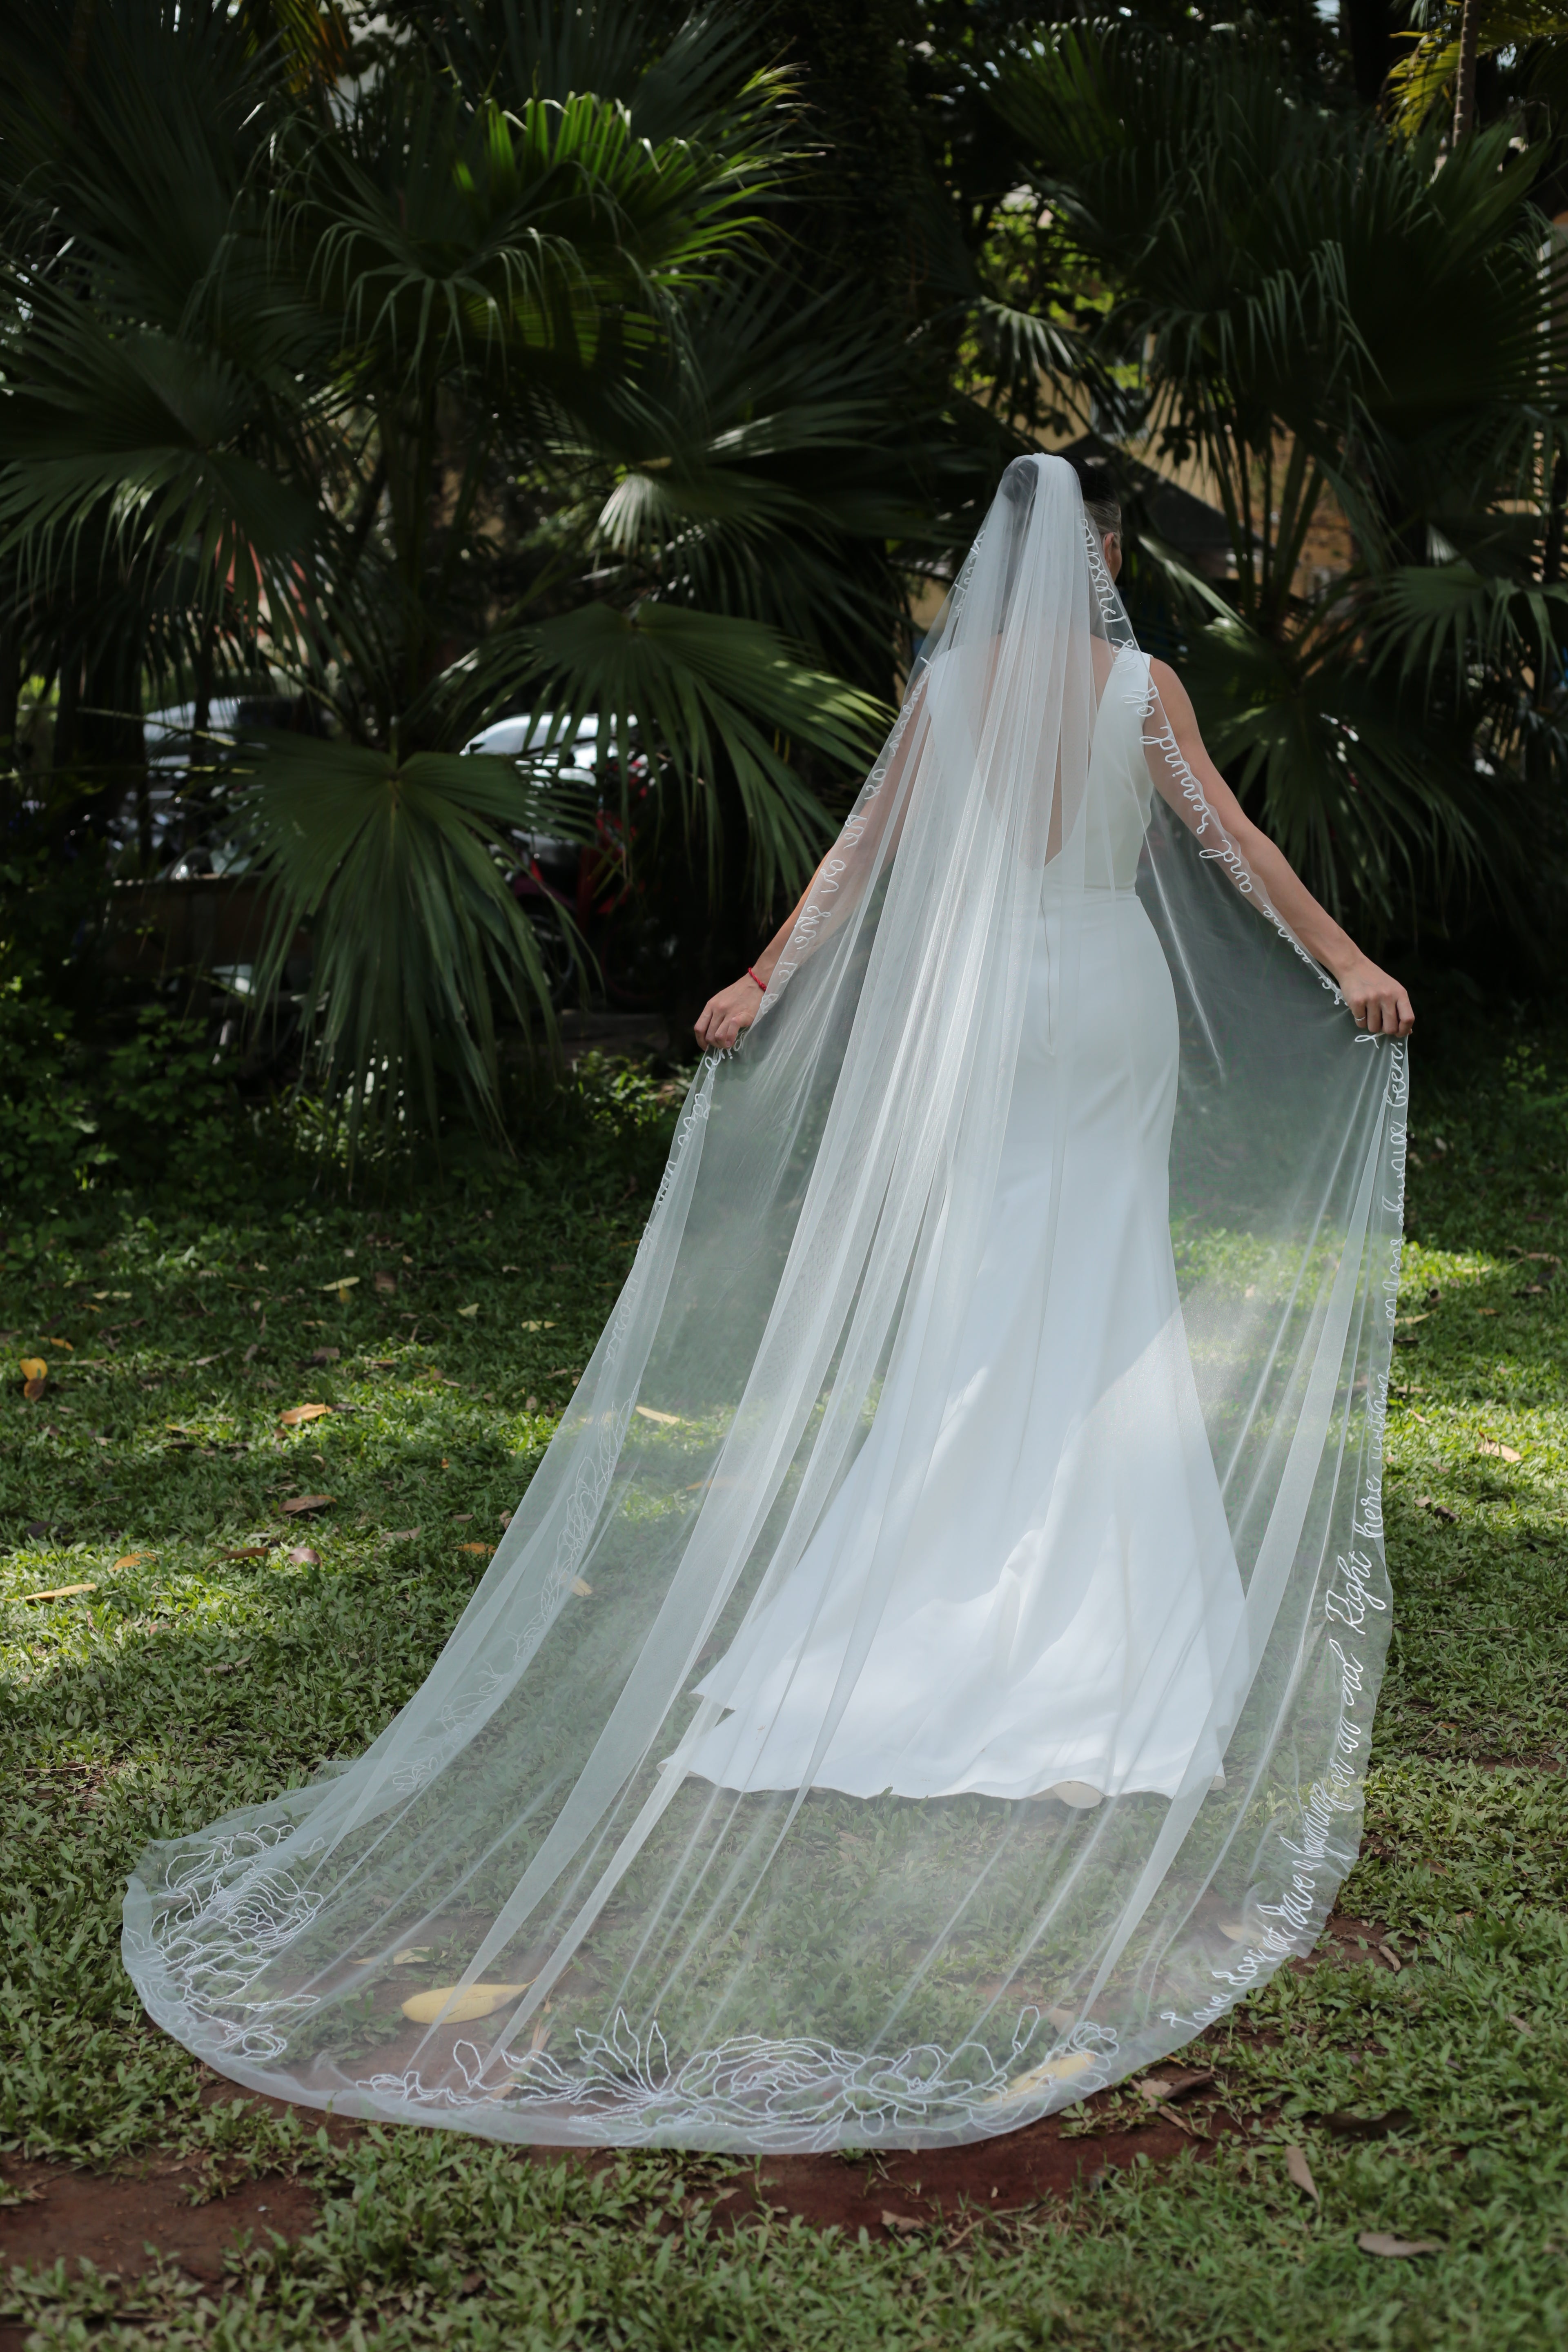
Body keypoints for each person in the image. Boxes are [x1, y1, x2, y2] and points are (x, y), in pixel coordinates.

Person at [124, 456, 1410, 2152]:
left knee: (974, 1290)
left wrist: (757, 979)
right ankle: (1089, 1610)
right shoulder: (1142, 687)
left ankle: (927, 1573)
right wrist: (1344, 965)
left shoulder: (945, 700)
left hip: (973, 1024)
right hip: (1103, 1001)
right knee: (1104, 1280)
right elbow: (1230, 847)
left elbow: (855, 869)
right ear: (1100, 561)